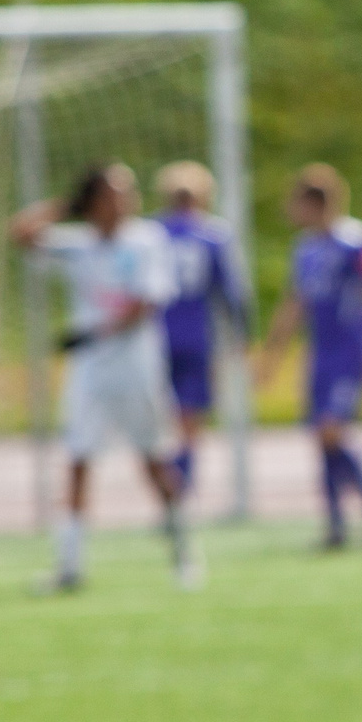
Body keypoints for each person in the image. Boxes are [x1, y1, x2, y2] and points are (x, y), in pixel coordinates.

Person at [9, 164, 199, 592]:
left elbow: (145, 303)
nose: (128, 200)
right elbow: (20, 233)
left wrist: (94, 333)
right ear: (95, 201)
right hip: (91, 373)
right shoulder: (78, 244)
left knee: (153, 459)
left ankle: (183, 551)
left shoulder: (147, 240)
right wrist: (66, 205)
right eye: (116, 193)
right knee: (78, 460)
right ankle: (69, 567)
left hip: (136, 369)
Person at [260, 163, 362, 549]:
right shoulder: (305, 249)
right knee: (321, 436)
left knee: (334, 429)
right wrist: (272, 354)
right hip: (321, 352)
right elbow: (295, 303)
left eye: (296, 203)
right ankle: (335, 523)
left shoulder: (357, 241)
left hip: (350, 350)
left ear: (314, 203)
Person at [152, 160, 254, 500]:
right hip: (197, 336)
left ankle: (170, 480)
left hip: (157, 334)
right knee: (190, 416)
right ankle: (182, 477)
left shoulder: (152, 232)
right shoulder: (214, 235)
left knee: (160, 413)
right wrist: (242, 334)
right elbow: (232, 292)